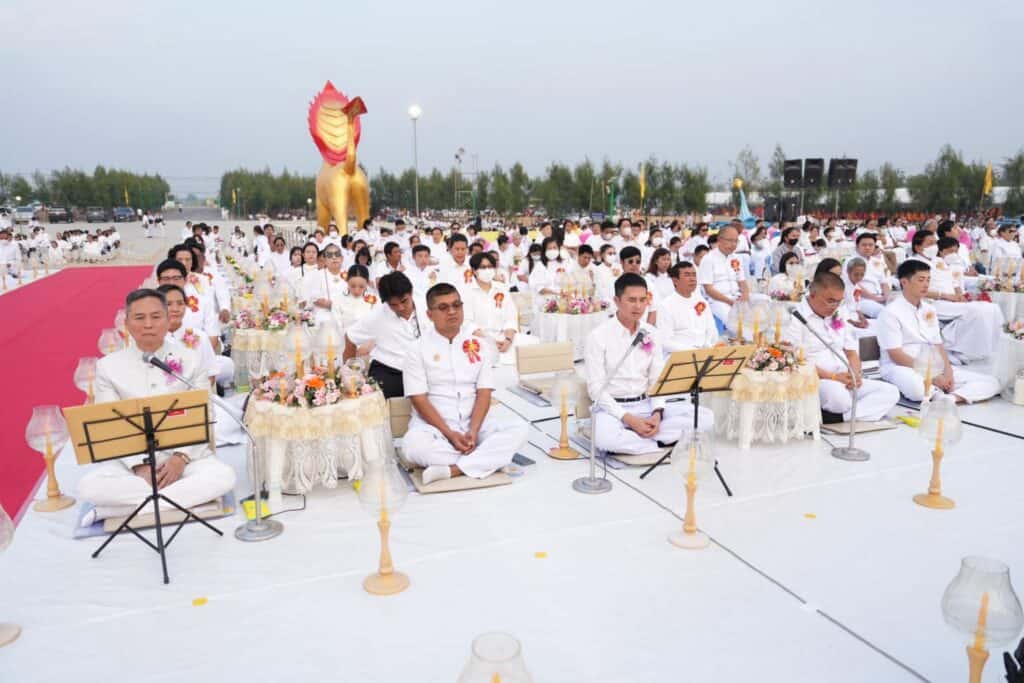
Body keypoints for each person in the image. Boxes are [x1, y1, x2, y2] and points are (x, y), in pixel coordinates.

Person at [77, 289, 236, 524]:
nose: (148, 324)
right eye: (140, 318)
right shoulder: (108, 367)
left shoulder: (191, 360)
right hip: (132, 464)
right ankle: (174, 501)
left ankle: (116, 511)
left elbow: (204, 415)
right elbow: (111, 426)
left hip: (186, 458)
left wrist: (179, 459)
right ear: (127, 323)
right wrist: (139, 466)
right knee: (88, 487)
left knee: (224, 477)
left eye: (156, 316)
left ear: (167, 318)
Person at [402, 283, 529, 484]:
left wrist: (474, 431)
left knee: (520, 428)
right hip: (435, 428)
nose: (452, 312)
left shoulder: (480, 345)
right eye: (443, 308)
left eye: (456, 305)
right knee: (412, 447)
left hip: (475, 424)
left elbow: (484, 392)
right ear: (429, 314)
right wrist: (450, 434)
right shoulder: (416, 349)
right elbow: (418, 399)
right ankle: (488, 460)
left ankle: (454, 470)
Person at [584, 273, 712, 455]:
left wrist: (657, 414)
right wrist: (629, 419)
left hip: (645, 405)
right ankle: (658, 443)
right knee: (606, 439)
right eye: (631, 300)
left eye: (643, 300)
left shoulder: (651, 333)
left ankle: (643, 436)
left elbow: (656, 380)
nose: (638, 306)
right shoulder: (598, 336)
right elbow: (596, 389)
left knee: (706, 417)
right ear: (617, 301)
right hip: (613, 408)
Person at [877, 260, 1000, 403]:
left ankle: (949, 399)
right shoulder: (890, 312)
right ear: (904, 282)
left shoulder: (929, 309)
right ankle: (936, 392)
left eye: (928, 280)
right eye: (921, 280)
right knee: (919, 390)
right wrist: (932, 376)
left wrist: (948, 371)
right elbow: (896, 355)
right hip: (902, 366)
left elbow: (938, 344)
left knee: (992, 382)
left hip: (933, 365)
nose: (926, 284)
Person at [784, 273, 899, 422]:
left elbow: (851, 352)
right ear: (812, 295)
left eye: (838, 302)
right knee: (840, 398)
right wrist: (833, 377)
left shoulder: (838, 314)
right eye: (830, 301)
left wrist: (855, 375)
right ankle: (857, 412)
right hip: (817, 380)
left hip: (844, 379)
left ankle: (839, 418)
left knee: (890, 392)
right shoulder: (795, 317)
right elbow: (794, 360)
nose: (834, 307)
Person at [909, 231, 1003, 361]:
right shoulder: (912, 263)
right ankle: (955, 348)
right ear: (918, 247)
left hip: (952, 300)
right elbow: (914, 289)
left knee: (992, 308)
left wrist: (960, 296)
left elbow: (953, 282)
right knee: (977, 311)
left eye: (935, 243)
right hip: (931, 302)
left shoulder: (939, 261)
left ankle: (984, 349)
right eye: (930, 243)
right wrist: (947, 296)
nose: (935, 246)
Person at [344, 272, 421, 398]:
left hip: (423, 369)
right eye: (393, 305)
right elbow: (350, 337)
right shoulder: (377, 315)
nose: (401, 308)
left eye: (404, 301)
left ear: (411, 292)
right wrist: (351, 374)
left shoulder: (427, 307)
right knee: (375, 402)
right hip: (390, 369)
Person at [463, 252, 536, 364]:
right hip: (479, 339)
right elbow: (467, 323)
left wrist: (508, 340)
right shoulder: (466, 292)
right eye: (483, 267)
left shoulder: (501, 289)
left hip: (503, 337)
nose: (487, 270)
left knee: (532, 343)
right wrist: (490, 341)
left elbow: (511, 318)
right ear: (473, 270)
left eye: (490, 266)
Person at [699, 225, 761, 330]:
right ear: (719, 240)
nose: (733, 245)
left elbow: (742, 282)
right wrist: (731, 302)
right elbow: (708, 290)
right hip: (719, 301)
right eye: (730, 240)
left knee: (765, 303)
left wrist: (745, 295)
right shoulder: (708, 259)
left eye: (736, 241)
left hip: (738, 297)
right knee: (737, 323)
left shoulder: (736, 258)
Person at [655, 261, 718, 351]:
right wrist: (692, 351)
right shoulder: (665, 306)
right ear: (675, 280)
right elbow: (665, 342)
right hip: (679, 355)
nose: (692, 279)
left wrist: (707, 345)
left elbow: (712, 330)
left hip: (705, 352)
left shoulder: (701, 302)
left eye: (694, 275)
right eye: (687, 275)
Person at [307, 245, 349, 326]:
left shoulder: (349, 274)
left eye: (337, 254)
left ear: (342, 258)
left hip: (346, 312)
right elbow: (315, 299)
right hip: (325, 313)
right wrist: (335, 306)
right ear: (325, 260)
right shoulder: (318, 275)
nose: (334, 257)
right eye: (330, 255)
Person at [334, 264, 377, 330]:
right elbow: (336, 324)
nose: (356, 291)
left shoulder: (374, 300)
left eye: (361, 287)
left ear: (367, 283)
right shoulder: (338, 299)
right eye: (353, 286)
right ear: (347, 282)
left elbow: (376, 324)